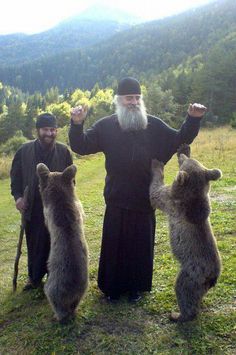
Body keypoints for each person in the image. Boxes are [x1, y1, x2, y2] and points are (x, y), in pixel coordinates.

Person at [69, 77, 206, 303]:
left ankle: (135, 288)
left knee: (139, 246)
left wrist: (192, 119)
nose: (133, 102)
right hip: (117, 196)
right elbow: (81, 146)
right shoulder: (105, 126)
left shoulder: (153, 124)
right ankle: (112, 289)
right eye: (128, 98)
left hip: (144, 197)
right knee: (115, 245)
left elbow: (179, 138)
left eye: (136, 97)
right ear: (119, 100)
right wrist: (76, 124)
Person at [10, 113, 73, 290]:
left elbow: (71, 181)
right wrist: (18, 198)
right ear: (38, 130)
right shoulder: (24, 150)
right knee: (35, 243)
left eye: (53, 130)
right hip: (34, 207)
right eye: (46, 129)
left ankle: (57, 277)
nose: (50, 133)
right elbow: (16, 178)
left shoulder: (63, 151)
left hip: (58, 208)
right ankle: (34, 278)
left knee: (57, 243)